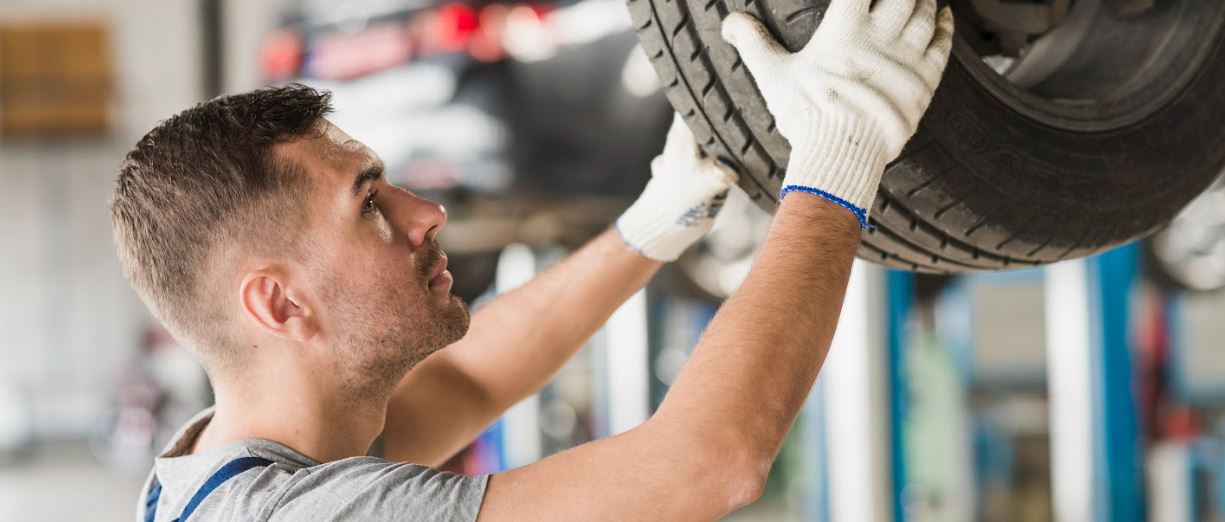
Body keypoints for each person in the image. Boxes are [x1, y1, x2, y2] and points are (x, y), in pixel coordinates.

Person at [114, 0, 952, 519]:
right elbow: (707, 466)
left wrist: (650, 227)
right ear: (279, 304)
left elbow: (465, 381)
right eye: (369, 205)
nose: (427, 212)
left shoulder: (234, 468)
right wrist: (839, 154)